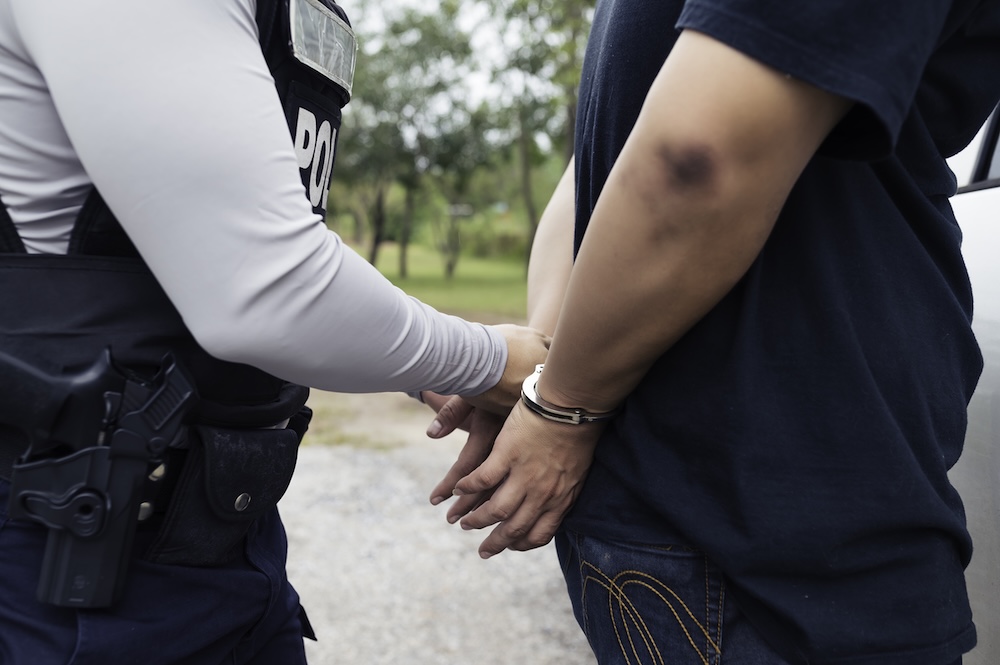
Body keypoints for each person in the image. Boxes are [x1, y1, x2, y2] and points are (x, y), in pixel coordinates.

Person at [427, 1, 1000, 664]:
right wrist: (558, 396)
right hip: (773, 523)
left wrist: (556, 380)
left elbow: (638, 155)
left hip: (715, 519)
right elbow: (688, 157)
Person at [0, 1, 547, 664]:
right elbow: (264, 286)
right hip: (67, 553)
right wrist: (495, 361)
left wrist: (422, 365)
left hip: (218, 534)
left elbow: (241, 231)